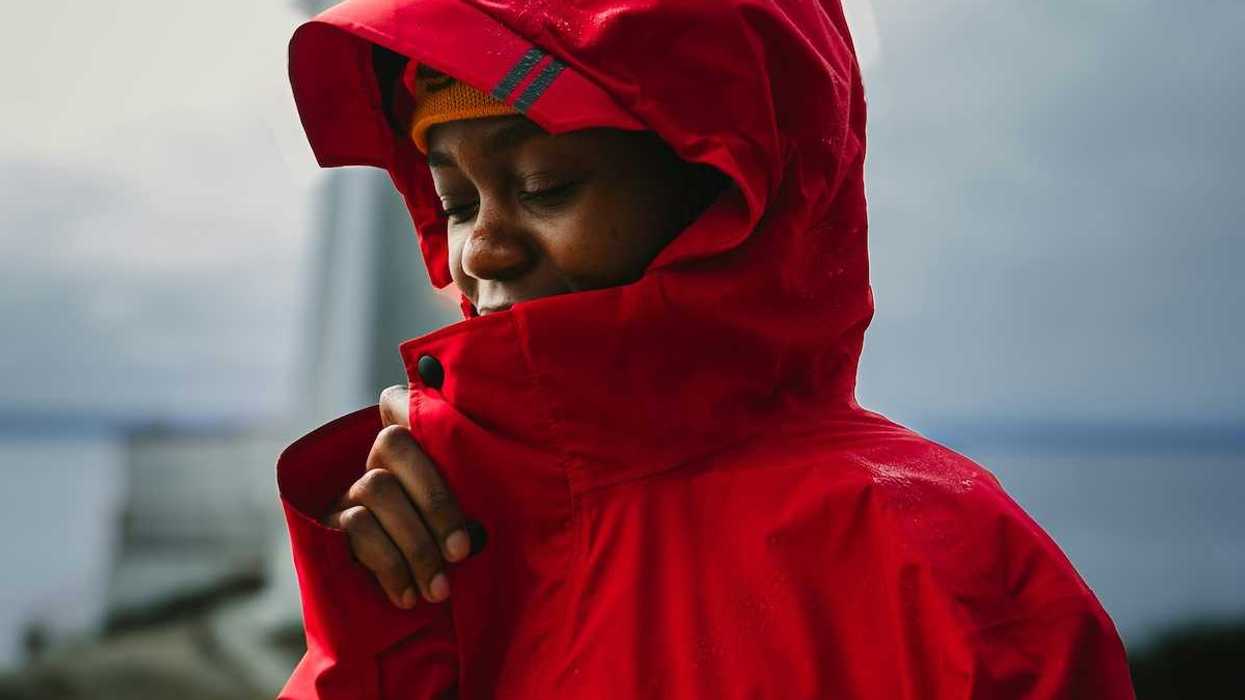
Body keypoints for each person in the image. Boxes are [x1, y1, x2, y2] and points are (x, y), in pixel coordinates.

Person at [278, 1, 1136, 697]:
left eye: (544, 186)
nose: (480, 253)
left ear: (727, 192)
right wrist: (383, 631)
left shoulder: (945, 570)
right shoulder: (443, 534)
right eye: (456, 204)